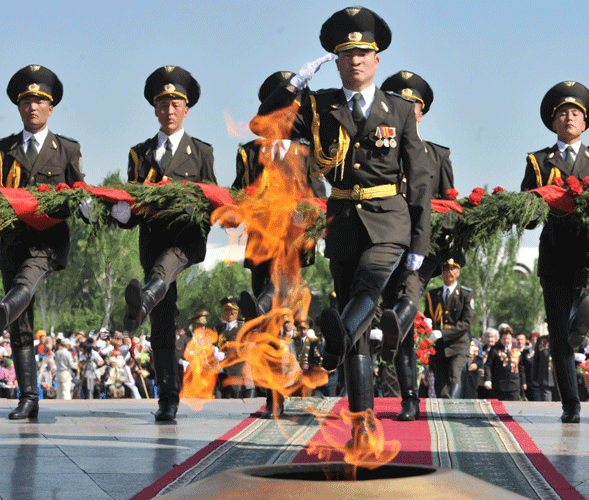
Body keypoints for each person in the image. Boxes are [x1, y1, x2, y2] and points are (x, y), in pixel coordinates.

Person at [255, 6, 430, 429]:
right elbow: (264, 125)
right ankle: (361, 415)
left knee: (369, 283)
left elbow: (420, 178)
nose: (355, 60)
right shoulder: (319, 105)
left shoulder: (400, 110)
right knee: (358, 320)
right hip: (343, 220)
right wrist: (294, 86)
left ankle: (332, 343)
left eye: (363, 53)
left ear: (376, 60)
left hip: (389, 218)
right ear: (335, 61)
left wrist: (419, 246)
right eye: (346, 53)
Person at [0, 65, 83, 419]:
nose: (33, 107)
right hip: (13, 242)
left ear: (51, 107)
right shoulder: (2, 149)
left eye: (40, 101)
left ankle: (3, 310)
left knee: (25, 283)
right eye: (26, 101)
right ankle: (29, 397)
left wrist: (86, 205)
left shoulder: (67, 149)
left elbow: (78, 190)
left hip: (48, 240)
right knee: (21, 324)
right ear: (18, 106)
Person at [121, 66, 216, 422]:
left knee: (162, 274)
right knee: (162, 323)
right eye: (162, 104)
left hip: (186, 241)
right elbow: (131, 204)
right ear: (155, 110)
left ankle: (142, 299)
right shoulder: (140, 153)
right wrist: (119, 211)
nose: (169, 110)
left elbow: (213, 197)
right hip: (154, 239)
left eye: (176, 104)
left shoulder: (202, 152)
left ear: (186, 109)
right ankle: (168, 397)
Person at [520, 81, 589, 423]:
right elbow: (527, 211)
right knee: (558, 333)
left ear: (585, 123)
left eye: (576, 113)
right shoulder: (538, 160)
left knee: (588, 277)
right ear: (553, 122)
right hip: (556, 252)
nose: (569, 117)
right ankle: (570, 404)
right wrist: (532, 207)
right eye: (563, 114)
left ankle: (587, 293)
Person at [378, 70, 457, 420]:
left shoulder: (437, 155)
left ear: (422, 113)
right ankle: (409, 397)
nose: (409, 111)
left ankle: (395, 323)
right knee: (400, 328)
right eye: (400, 105)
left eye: (415, 106)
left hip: (421, 247)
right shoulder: (377, 150)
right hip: (383, 244)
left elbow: (449, 205)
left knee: (407, 297)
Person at [236, 71, 327, 320]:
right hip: (261, 239)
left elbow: (319, 200)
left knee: (281, 287)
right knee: (262, 301)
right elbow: (238, 193)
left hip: (294, 237)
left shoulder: (309, 153)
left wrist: (307, 219)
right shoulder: (250, 153)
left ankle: (263, 305)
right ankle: (261, 314)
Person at [425, 259, 474, 399]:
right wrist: (427, 326)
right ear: (441, 273)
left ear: (458, 272)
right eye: (446, 269)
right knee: (440, 383)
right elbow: (427, 317)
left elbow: (466, 322)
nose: (449, 272)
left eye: (453, 269)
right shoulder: (433, 295)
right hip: (439, 346)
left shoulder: (465, 294)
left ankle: (452, 406)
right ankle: (441, 412)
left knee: (454, 373)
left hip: (458, 344)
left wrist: (442, 333)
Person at [484, 325, 522, 401]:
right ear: (501, 338)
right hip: (499, 385)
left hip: (514, 385)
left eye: (508, 339)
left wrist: (524, 382)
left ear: (511, 338)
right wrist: (488, 380)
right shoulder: (495, 349)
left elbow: (521, 367)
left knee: (513, 409)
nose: (506, 341)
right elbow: (488, 365)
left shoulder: (517, 349)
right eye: (504, 339)